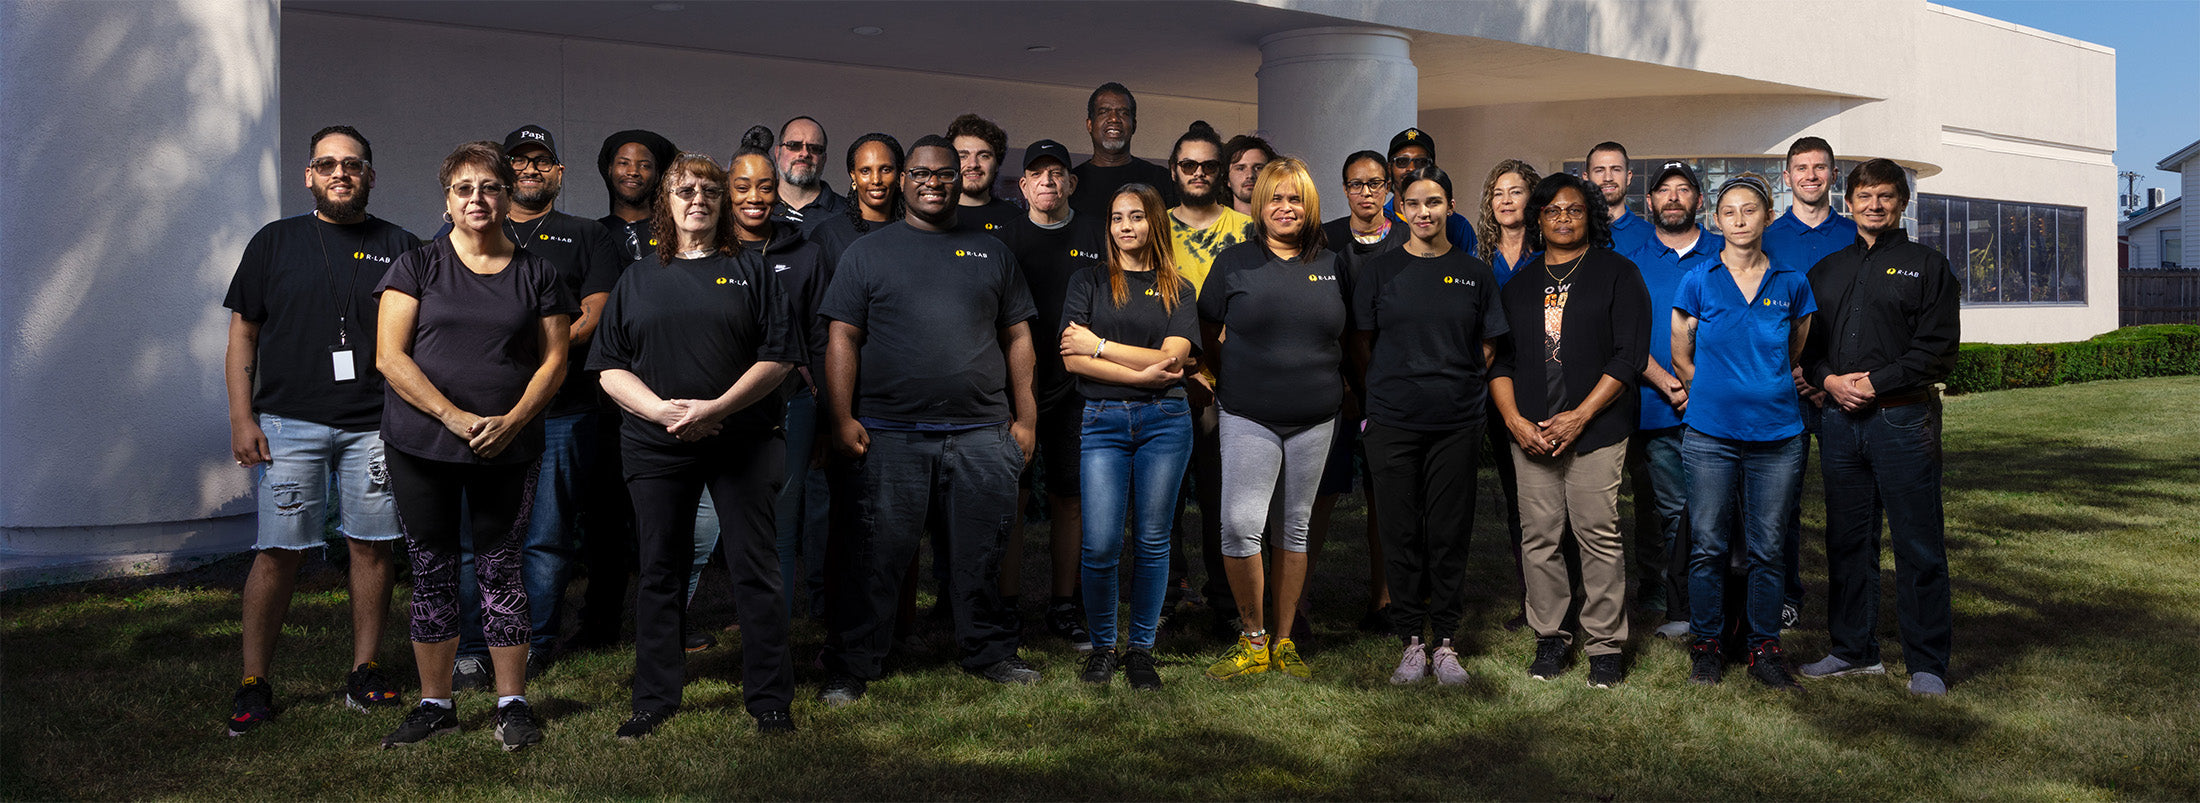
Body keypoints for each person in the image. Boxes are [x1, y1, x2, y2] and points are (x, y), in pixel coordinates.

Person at [817, 135, 1044, 705]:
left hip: (982, 432)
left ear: (958, 180)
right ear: (903, 179)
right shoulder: (867, 253)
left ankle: (988, 651)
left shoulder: (992, 251)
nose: (933, 183)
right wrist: (840, 416)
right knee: (874, 555)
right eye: (920, 174)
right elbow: (842, 337)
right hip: (890, 433)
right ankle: (854, 664)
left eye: (944, 175)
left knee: (981, 555)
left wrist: (1027, 418)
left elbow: (1019, 336)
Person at [591, 150, 802, 739]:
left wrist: (716, 409)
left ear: (724, 202)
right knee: (660, 569)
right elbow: (609, 369)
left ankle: (768, 700)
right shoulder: (636, 279)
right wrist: (662, 412)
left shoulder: (754, 270)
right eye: (685, 191)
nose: (698, 200)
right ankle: (655, 697)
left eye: (710, 191)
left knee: (755, 569)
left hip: (743, 440)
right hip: (656, 445)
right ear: (668, 201)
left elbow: (779, 356)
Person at [374, 141, 576, 750]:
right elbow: (389, 356)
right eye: (464, 189)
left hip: (508, 447)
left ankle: (511, 703)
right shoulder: (418, 265)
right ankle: (435, 703)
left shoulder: (537, 271)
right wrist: (455, 416)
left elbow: (556, 360)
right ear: (448, 201)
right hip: (423, 444)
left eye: (489, 187)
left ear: (507, 195)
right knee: (432, 568)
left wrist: (512, 420)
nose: (477, 199)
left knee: (501, 568)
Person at [221, 125, 421, 737]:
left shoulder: (402, 246)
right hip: (289, 423)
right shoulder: (274, 242)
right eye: (328, 164)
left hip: (374, 426)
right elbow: (243, 336)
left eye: (353, 165)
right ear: (308, 175)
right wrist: (241, 415)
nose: (341, 173)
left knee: (372, 546)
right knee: (278, 552)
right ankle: (255, 681)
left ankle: (365, 671)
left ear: (369, 176)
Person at [445, 125, 628, 687]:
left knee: (547, 534)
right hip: (479, 410)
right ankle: (475, 645)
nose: (529, 170)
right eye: (518, 162)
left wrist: (524, 350)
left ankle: (535, 640)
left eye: (541, 161)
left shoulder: (588, 235)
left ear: (558, 172)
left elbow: (593, 314)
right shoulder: (465, 229)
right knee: (480, 537)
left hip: (561, 409)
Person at [1797, 158, 1960, 697]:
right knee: (1847, 541)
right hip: (1840, 423)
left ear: (1902, 203)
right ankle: (1852, 650)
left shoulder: (1927, 266)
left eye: (1886, 196)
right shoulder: (1827, 270)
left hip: (1903, 419)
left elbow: (1937, 352)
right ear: (1849, 204)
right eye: (1864, 197)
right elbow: (1809, 351)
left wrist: (1875, 382)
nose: (1874, 205)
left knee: (1918, 543)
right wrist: (1829, 380)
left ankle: (1927, 664)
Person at [1350, 165, 1508, 686]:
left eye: (1435, 203)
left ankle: (1445, 641)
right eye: (1415, 203)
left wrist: (1458, 384)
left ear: (1450, 206)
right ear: (1400, 208)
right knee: (1399, 530)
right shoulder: (1380, 271)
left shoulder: (1474, 272)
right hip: (1393, 420)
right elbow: (1363, 344)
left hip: (1456, 422)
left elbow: (1487, 344)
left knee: (1447, 531)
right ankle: (1410, 642)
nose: (1424, 213)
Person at [1490, 172, 1648, 689]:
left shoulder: (1618, 274)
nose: (1563, 217)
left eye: (1575, 209)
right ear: (1538, 219)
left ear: (1590, 217)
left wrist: (1579, 416)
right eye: (1553, 210)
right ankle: (1550, 638)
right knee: (1539, 537)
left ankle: (1604, 645)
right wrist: (1514, 423)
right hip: (1531, 431)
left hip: (1597, 429)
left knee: (1597, 533)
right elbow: (1499, 363)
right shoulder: (1519, 286)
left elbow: (1627, 359)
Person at [1198, 158, 1348, 681]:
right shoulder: (1234, 262)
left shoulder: (1335, 262)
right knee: (1241, 526)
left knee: (1296, 528)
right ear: (1259, 205)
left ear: (1310, 207)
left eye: (1296, 199)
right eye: (1275, 198)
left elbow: (1349, 336)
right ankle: (1252, 638)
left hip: (1315, 418)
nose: (1286, 208)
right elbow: (1207, 325)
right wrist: (1230, 380)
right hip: (1248, 415)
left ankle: (1284, 641)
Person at [1670, 173, 1817, 692]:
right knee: (1708, 544)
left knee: (1768, 548)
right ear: (1716, 220)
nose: (1738, 220)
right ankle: (1706, 647)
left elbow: (1795, 348)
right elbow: (1681, 354)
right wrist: (1713, 391)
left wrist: (1763, 384)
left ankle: (1764, 649)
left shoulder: (1792, 283)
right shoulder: (1700, 279)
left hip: (1778, 436)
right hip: (1710, 435)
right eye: (1728, 211)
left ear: (1767, 218)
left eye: (1749, 211)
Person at [1060, 184, 1200, 690]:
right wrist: (1140, 375)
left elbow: (1174, 360)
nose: (1125, 226)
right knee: (1099, 545)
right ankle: (1102, 648)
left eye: (1136, 216)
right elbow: (1070, 359)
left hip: (1165, 422)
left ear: (1154, 223)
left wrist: (1100, 345)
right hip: (1102, 420)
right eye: (1117, 217)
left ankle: (1140, 648)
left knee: (1152, 540)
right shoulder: (1088, 281)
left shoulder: (1178, 289)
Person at [1004, 139, 1105, 651]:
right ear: (1022, 185)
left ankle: (1064, 605)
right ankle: (1005, 605)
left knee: (1070, 496)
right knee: (1012, 497)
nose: (1048, 180)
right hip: (1012, 386)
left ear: (1070, 182)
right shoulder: (1003, 235)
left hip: (1077, 388)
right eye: (1037, 173)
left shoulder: (1094, 232)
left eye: (1057, 172)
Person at [731, 126, 834, 623]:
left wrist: (826, 410)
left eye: (765, 187)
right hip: (722, 406)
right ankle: (698, 627)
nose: (755, 198)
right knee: (713, 526)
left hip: (792, 403)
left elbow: (819, 337)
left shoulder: (806, 252)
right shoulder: (711, 253)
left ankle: (775, 630)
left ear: (778, 192)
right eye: (743, 187)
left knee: (783, 523)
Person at [1162, 121, 1256, 635]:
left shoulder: (1245, 230)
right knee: (1166, 498)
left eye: (1208, 165)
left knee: (1225, 501)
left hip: (1233, 385)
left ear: (1220, 172)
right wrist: (1182, 369)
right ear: (1173, 171)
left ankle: (1226, 600)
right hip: (1166, 378)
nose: (1198, 173)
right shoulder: (1156, 225)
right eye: (1188, 165)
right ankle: (1170, 592)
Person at [1624, 161, 1722, 639]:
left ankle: (1718, 602)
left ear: (1699, 202)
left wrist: (1700, 386)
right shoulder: (1634, 261)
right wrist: (1666, 381)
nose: (1674, 198)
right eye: (1664, 191)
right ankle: (1676, 605)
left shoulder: (1726, 255)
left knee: (1718, 508)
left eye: (1685, 190)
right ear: (1650, 202)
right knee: (1669, 509)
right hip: (1656, 407)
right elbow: (1622, 335)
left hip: (1717, 409)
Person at [1312, 150, 1408, 635]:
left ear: (1389, 188)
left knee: (1384, 498)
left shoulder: (1410, 241)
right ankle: (1297, 606)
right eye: (1356, 184)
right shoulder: (1325, 241)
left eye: (1375, 184)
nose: (1366, 193)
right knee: (1318, 495)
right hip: (1332, 386)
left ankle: (1383, 603)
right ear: (1344, 189)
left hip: (1390, 390)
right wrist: (1345, 382)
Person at [1761, 136, 1854, 628]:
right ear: (1787, 176)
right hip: (1786, 389)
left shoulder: (1856, 234)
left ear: (1833, 175)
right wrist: (1797, 370)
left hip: (1843, 391)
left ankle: (1849, 605)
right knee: (1781, 503)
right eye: (1801, 167)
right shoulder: (1768, 237)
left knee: (1848, 503)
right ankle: (1785, 594)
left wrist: (1829, 377)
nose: (1811, 176)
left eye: (1820, 168)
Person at [1474, 159, 1542, 630]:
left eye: (1515, 192)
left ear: (1532, 200)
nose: (1505, 200)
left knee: (1552, 501)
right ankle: (1532, 599)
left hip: (1546, 384)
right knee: (1517, 498)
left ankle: (1565, 596)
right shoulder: (1480, 259)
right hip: (1497, 390)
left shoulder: (1550, 252)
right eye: (1498, 192)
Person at [1071, 82, 1175, 220]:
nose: (1114, 119)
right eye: (1103, 112)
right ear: (1090, 125)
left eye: (1123, 113)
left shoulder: (1161, 179)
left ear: (1134, 125)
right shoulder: (1071, 183)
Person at [811, 133, 903, 269]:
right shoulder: (828, 235)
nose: (876, 180)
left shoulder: (914, 230)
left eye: (885, 170)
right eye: (865, 171)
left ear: (898, 175)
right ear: (853, 176)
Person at [1380, 128, 1476, 253]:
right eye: (1402, 161)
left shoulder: (1458, 225)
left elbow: (1473, 270)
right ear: (1389, 169)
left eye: (1421, 162)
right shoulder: (1379, 222)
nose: (1411, 168)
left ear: (1433, 168)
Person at [598, 129, 679, 262]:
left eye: (644, 166)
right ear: (610, 169)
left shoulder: (675, 234)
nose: (633, 172)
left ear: (658, 175)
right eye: (623, 163)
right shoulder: (594, 233)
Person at [948, 113, 1024, 238]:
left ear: (997, 164)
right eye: (963, 156)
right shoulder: (934, 217)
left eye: (984, 156)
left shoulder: (1017, 220)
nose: (973, 164)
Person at [772, 116, 847, 234]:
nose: (805, 153)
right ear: (777, 153)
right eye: (794, 145)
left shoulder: (848, 214)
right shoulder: (755, 207)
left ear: (824, 159)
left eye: (815, 148)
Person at [1586, 141, 1654, 255]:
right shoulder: (1572, 234)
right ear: (1586, 178)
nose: (1608, 178)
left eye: (1616, 169)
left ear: (1628, 177)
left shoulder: (1651, 236)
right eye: (1599, 170)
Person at [1223, 133, 1276, 218]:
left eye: (1258, 168)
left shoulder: (1284, 224)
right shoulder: (1216, 227)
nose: (1250, 175)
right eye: (1240, 168)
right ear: (1227, 179)